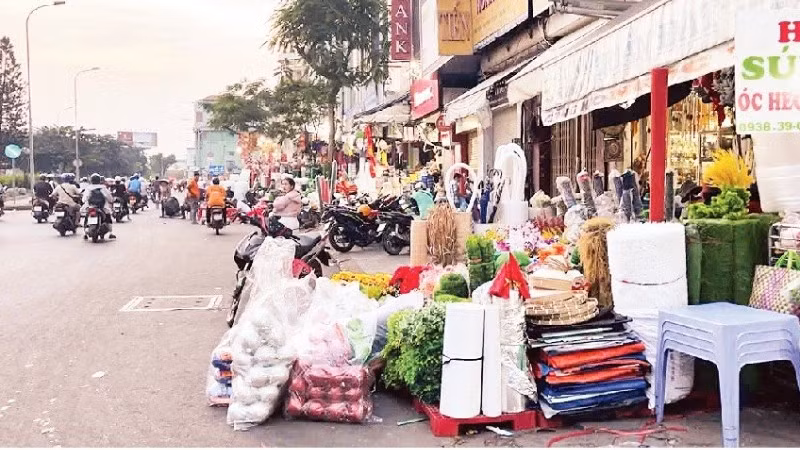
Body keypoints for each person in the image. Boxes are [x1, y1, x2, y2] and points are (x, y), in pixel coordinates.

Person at [81, 173, 116, 239]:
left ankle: (85, 233)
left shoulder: (88, 188)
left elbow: (84, 199)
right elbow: (109, 198)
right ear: (99, 180)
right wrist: (111, 201)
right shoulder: (103, 188)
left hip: (90, 206)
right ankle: (111, 233)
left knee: (86, 217)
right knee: (108, 217)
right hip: (102, 207)